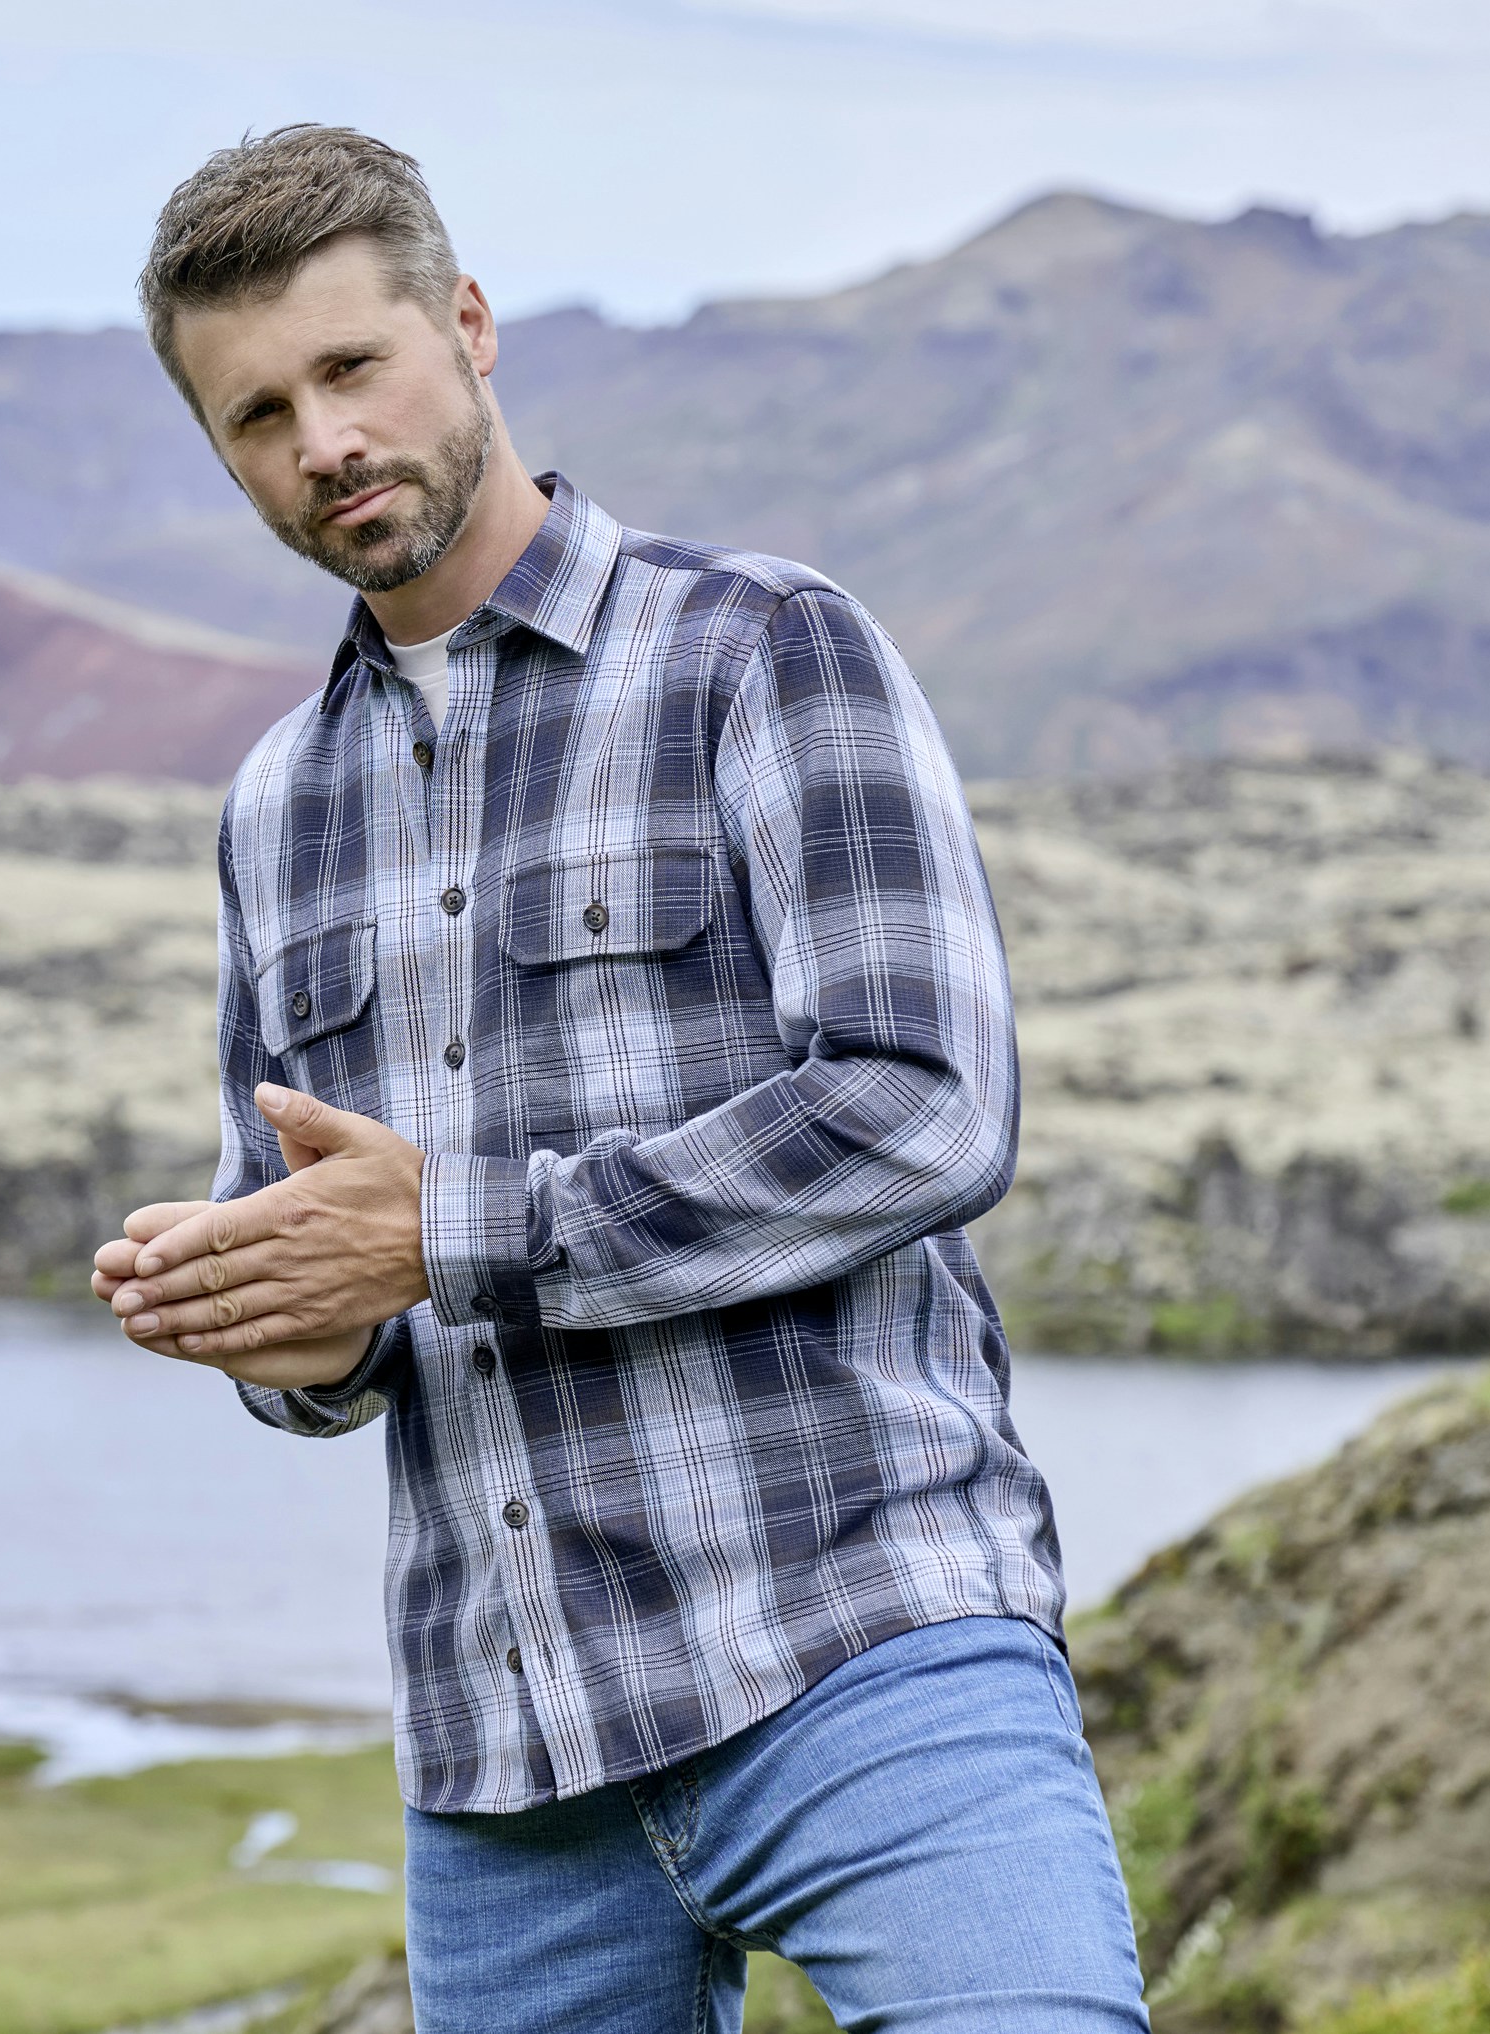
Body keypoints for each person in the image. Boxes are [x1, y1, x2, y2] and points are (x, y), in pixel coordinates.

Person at [91, 126, 1148, 2034]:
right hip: (508, 1763)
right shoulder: (272, 810)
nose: (321, 441)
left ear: (469, 329)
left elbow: (926, 1100)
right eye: (257, 412)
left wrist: (452, 1230)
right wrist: (270, 1316)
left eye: (352, 369)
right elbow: (354, 1328)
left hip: (860, 1640)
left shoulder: (761, 652)